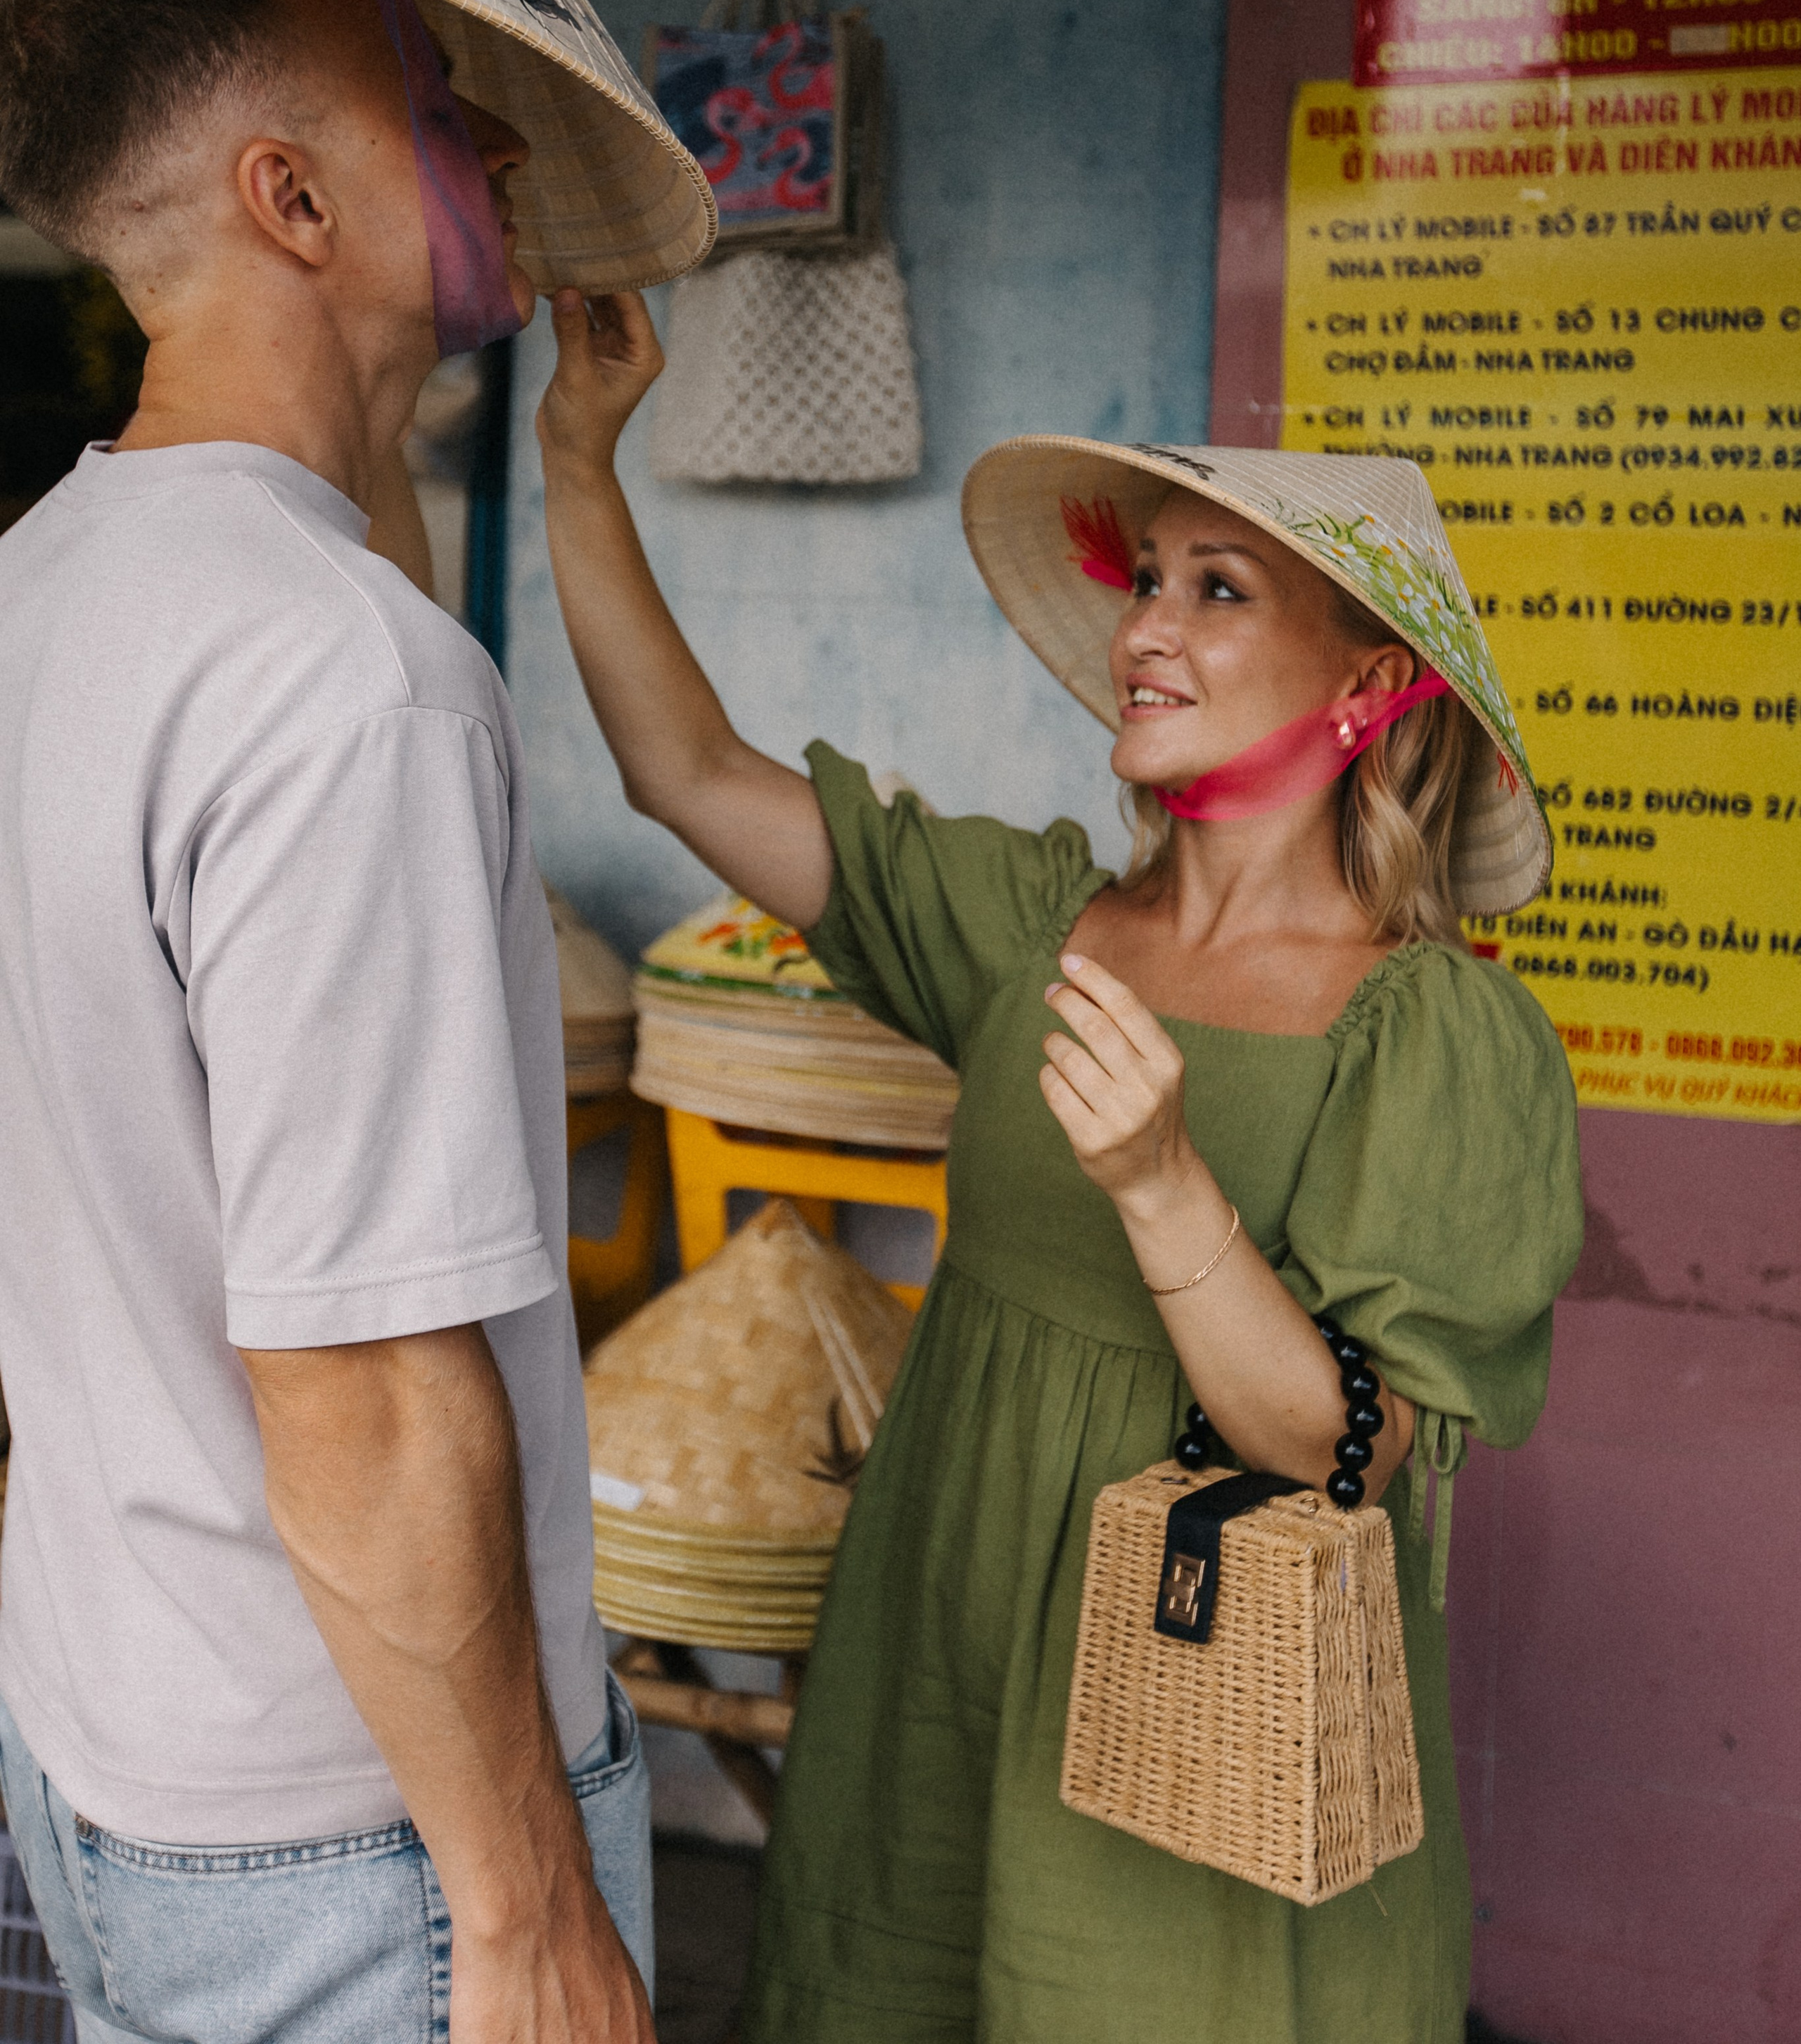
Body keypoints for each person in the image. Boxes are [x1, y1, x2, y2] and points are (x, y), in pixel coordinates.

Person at [536, 293, 1584, 2044]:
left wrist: (1165, 1187)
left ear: (1367, 682)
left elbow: (1344, 1446)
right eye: (1144, 578)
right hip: (937, 1642)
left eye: (1216, 589)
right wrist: (575, 455)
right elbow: (685, 770)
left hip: (1195, 1709)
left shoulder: (1434, 1039)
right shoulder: (1034, 924)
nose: (1142, 628)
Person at [0, 0, 711, 2044]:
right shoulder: (345, 682)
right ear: (289, 197)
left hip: (113, 1743)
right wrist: (519, 1909)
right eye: (442, 101)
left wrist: (463, 427)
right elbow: (369, 1387)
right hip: (363, 1834)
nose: (500, 145)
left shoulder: (57, 584)